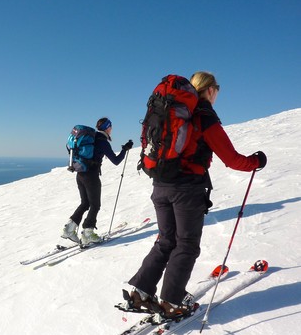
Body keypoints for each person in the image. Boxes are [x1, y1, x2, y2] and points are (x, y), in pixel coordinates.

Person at [125, 71, 267, 318]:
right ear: (210, 89)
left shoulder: (177, 111)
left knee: (166, 240)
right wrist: (256, 161)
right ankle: (172, 301)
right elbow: (232, 159)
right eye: (218, 88)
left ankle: (140, 292)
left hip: (160, 184)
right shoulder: (203, 115)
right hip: (186, 190)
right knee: (187, 244)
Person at [61, 118, 133, 246]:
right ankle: (88, 233)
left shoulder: (92, 138)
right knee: (95, 205)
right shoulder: (102, 141)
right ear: (107, 127)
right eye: (110, 127)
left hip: (80, 174)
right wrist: (125, 149)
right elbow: (116, 161)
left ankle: (69, 229)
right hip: (91, 177)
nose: (111, 130)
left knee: (85, 203)